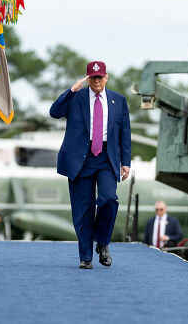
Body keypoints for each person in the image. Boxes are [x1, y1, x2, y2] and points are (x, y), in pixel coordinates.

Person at [49, 61, 131, 269]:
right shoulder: (76, 98)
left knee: (108, 200)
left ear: (106, 78)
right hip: (80, 159)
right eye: (92, 78)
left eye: (100, 77)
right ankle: (85, 257)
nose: (97, 81)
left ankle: (102, 242)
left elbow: (125, 134)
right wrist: (72, 90)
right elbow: (54, 112)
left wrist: (126, 162)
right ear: (87, 79)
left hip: (106, 158)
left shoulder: (118, 101)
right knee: (83, 210)